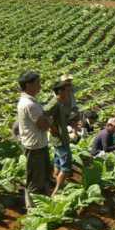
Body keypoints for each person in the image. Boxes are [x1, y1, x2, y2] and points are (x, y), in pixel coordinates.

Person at [17, 71, 51, 208]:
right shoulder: (29, 104)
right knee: (35, 180)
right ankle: (32, 209)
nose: (40, 86)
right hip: (35, 147)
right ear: (28, 85)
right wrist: (50, 119)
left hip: (37, 145)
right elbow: (43, 125)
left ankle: (37, 205)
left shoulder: (28, 101)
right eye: (38, 83)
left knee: (39, 177)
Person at [45, 81, 73, 196]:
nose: (70, 92)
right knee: (66, 167)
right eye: (67, 90)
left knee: (57, 163)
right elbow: (44, 113)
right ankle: (56, 191)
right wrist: (51, 127)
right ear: (60, 91)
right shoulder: (55, 102)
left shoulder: (61, 102)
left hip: (60, 138)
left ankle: (54, 184)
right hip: (60, 139)